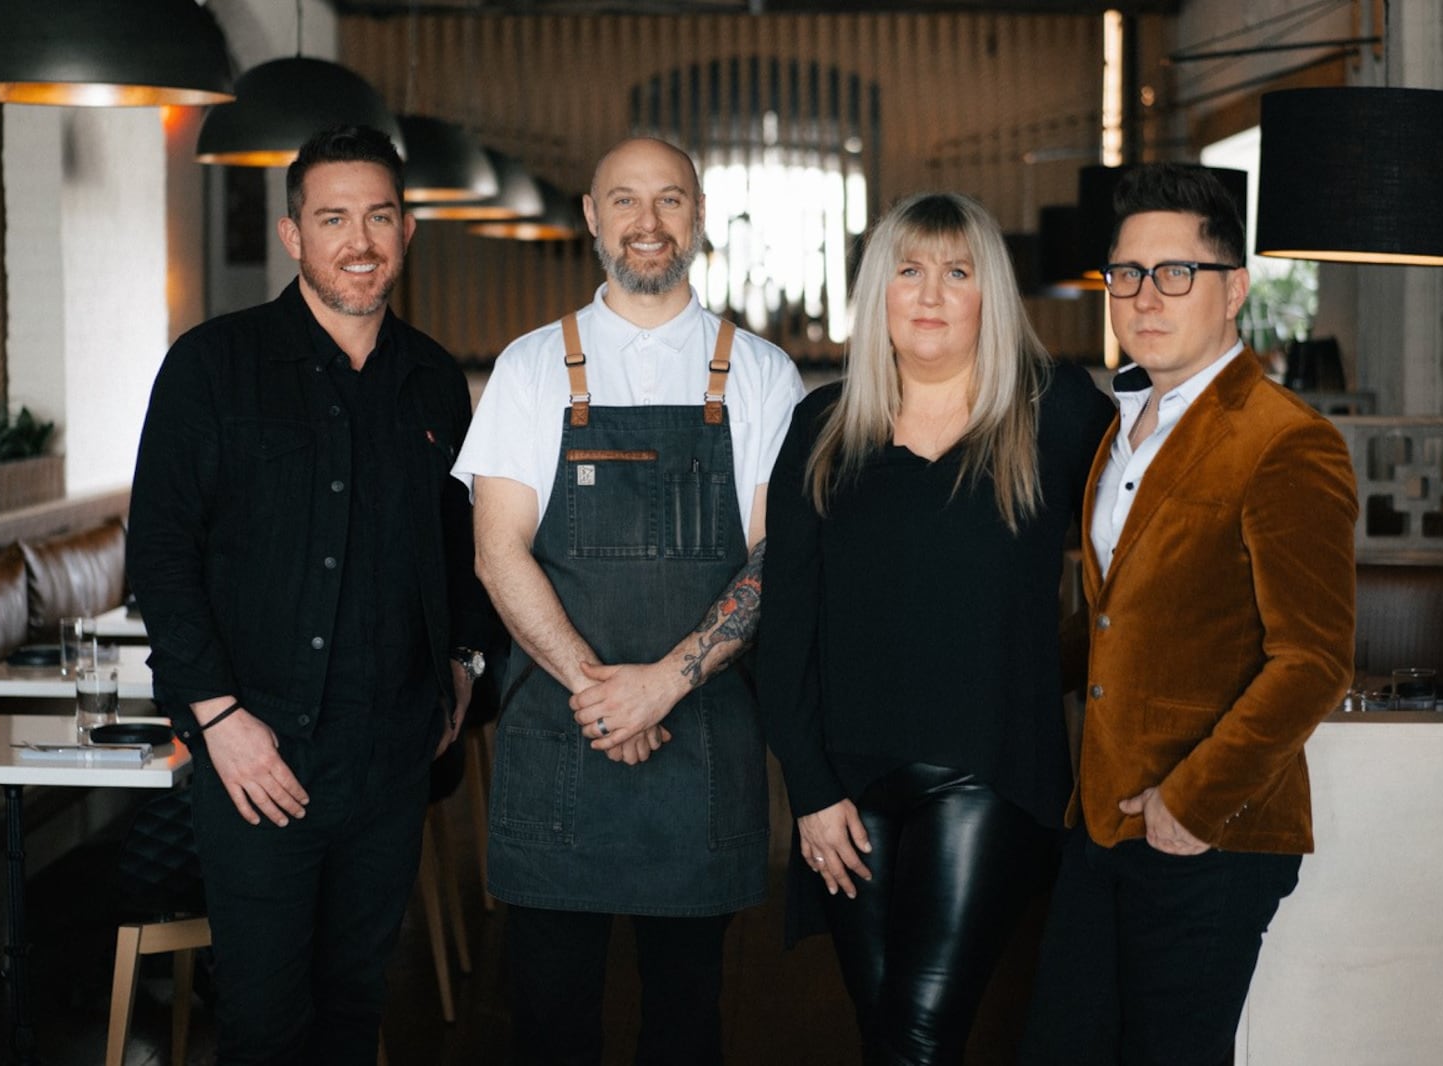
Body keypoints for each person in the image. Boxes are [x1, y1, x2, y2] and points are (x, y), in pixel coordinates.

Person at [127, 125, 494, 1065]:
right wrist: (217, 719)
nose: (358, 241)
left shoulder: (433, 383)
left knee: (354, 1012)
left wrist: (461, 667)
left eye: (378, 216)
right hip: (258, 761)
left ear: (407, 231)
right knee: (263, 1023)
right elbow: (161, 557)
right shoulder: (211, 367)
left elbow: (466, 555)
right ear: (294, 235)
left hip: (388, 763)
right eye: (333, 218)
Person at [454, 136, 805, 1065]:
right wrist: (603, 690)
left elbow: (779, 558)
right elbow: (497, 554)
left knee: (687, 1027)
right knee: (550, 1027)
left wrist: (664, 686)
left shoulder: (764, 374)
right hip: (557, 745)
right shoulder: (530, 369)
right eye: (624, 201)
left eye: (669, 201)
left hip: (701, 752)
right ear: (590, 217)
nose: (647, 223)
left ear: (698, 214)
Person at [757, 191, 1116, 1065]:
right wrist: (808, 789)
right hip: (846, 787)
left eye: (957, 273)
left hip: (986, 772)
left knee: (918, 1033)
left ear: (989, 293)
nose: (930, 293)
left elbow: (1155, 533)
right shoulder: (822, 428)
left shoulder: (1057, 412)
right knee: (884, 1024)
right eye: (909, 271)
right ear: (878, 290)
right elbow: (785, 626)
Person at [1018, 163, 1359, 1066]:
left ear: (1234, 287)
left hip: (1208, 832)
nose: (1144, 297)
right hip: (1101, 820)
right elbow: (1114, 623)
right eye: (1126, 274)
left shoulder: (1286, 440)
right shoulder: (1120, 425)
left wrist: (1192, 803)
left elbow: (1315, 660)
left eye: (1177, 273)